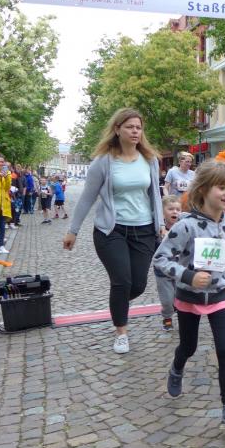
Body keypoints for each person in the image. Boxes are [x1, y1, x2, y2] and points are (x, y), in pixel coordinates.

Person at [153, 159, 225, 430]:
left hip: (219, 296)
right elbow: (160, 260)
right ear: (204, 190)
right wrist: (189, 276)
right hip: (189, 298)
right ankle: (176, 368)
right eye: (222, 187)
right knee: (189, 346)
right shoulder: (186, 226)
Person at [64, 108, 164, 354]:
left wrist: (160, 224)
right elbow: (87, 198)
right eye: (129, 127)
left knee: (138, 285)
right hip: (111, 231)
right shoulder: (104, 161)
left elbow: (155, 196)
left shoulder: (150, 160)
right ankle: (121, 332)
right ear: (117, 129)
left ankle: (117, 303)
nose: (135, 131)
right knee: (122, 281)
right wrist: (73, 230)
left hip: (143, 230)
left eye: (138, 127)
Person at [154, 195, 182, 332]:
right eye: (171, 209)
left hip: (180, 270)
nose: (175, 212)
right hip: (162, 272)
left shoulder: (183, 227)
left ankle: (181, 313)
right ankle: (167, 316)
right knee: (167, 299)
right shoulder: (158, 229)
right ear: (162, 212)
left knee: (180, 297)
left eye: (178, 209)